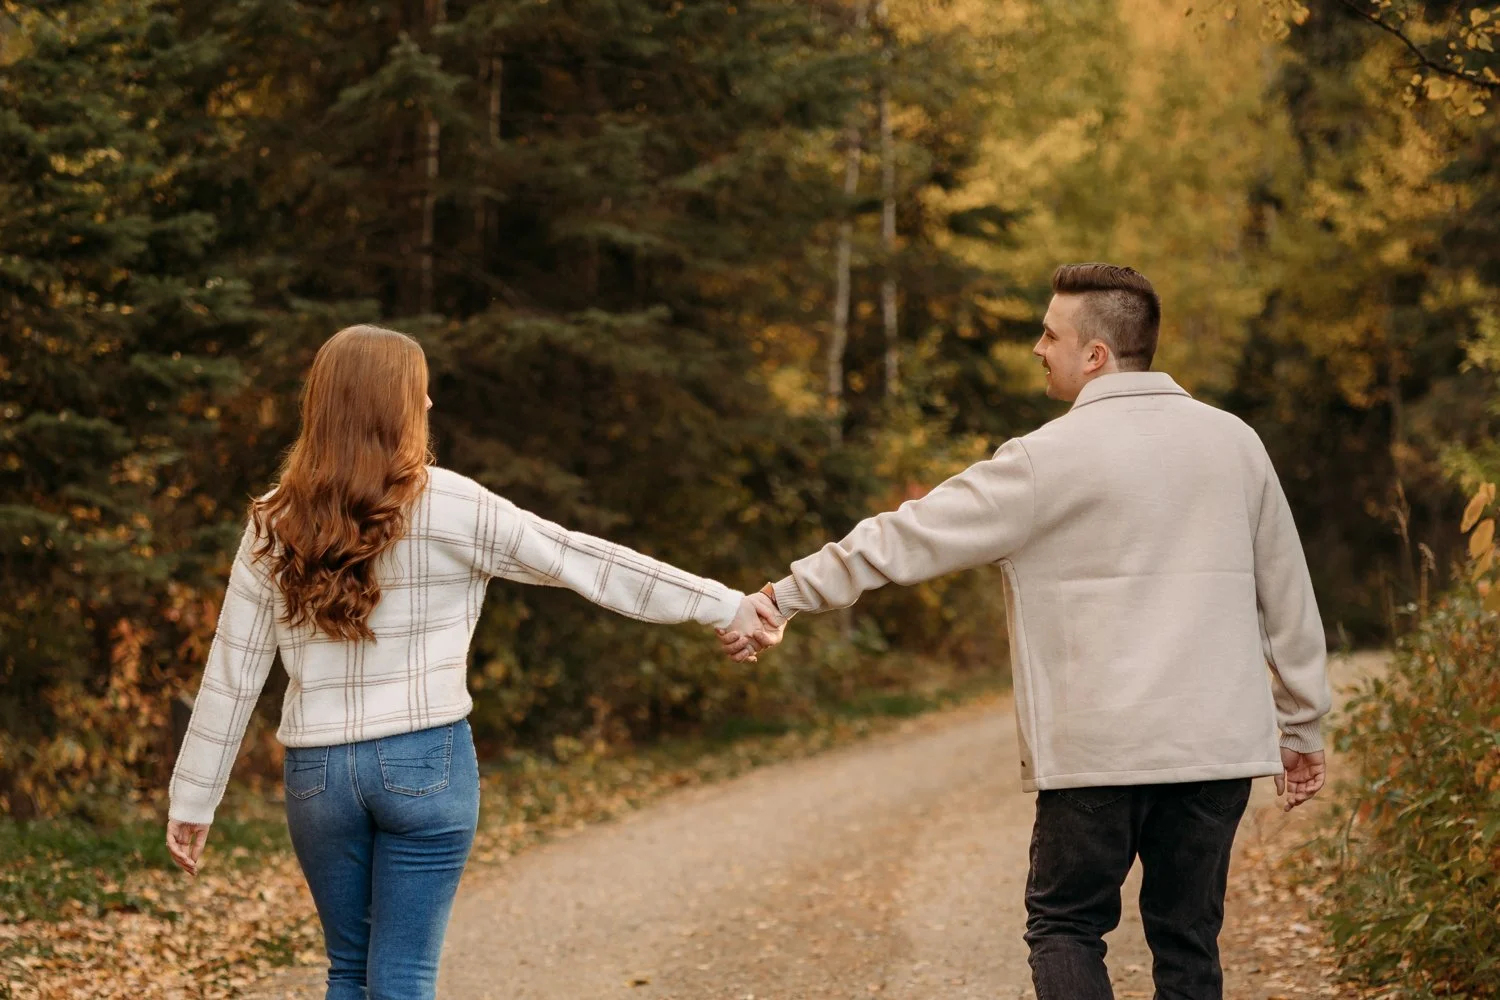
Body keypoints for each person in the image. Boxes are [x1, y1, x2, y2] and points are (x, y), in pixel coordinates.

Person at [719, 263, 1332, 1000]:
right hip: (1215, 749)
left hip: (1097, 753)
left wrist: (783, 596)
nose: (1039, 348)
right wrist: (1302, 725)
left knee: (1067, 926)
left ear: (1095, 355)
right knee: (1187, 937)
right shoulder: (1236, 444)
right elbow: (1288, 596)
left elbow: (907, 537)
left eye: (1050, 334)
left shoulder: (1046, 460)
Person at [166, 324, 763, 1000]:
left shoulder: (274, 521)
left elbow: (232, 672)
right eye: (417, 394)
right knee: (403, 979)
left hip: (319, 776)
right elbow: (582, 560)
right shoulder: (450, 503)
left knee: (348, 973)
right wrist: (723, 604)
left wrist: (194, 797)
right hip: (426, 761)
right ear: (391, 406)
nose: (426, 408)